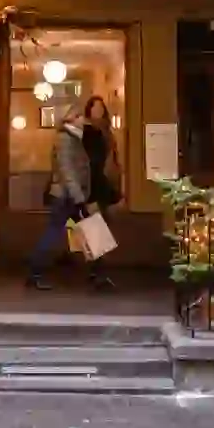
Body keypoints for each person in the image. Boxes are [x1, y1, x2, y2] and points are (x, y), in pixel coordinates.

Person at [27, 104, 97, 290]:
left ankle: (97, 272)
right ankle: (35, 272)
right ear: (71, 118)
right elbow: (67, 170)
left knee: (88, 230)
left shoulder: (73, 137)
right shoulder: (65, 139)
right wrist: (79, 198)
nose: (84, 120)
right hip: (67, 196)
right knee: (55, 233)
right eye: (80, 116)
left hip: (71, 195)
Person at [82, 96, 121, 288]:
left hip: (103, 183)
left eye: (100, 108)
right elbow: (90, 161)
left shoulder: (105, 131)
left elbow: (112, 157)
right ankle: (98, 272)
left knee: (99, 227)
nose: (98, 111)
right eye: (94, 107)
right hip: (93, 184)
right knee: (97, 228)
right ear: (88, 111)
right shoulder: (88, 132)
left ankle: (96, 270)